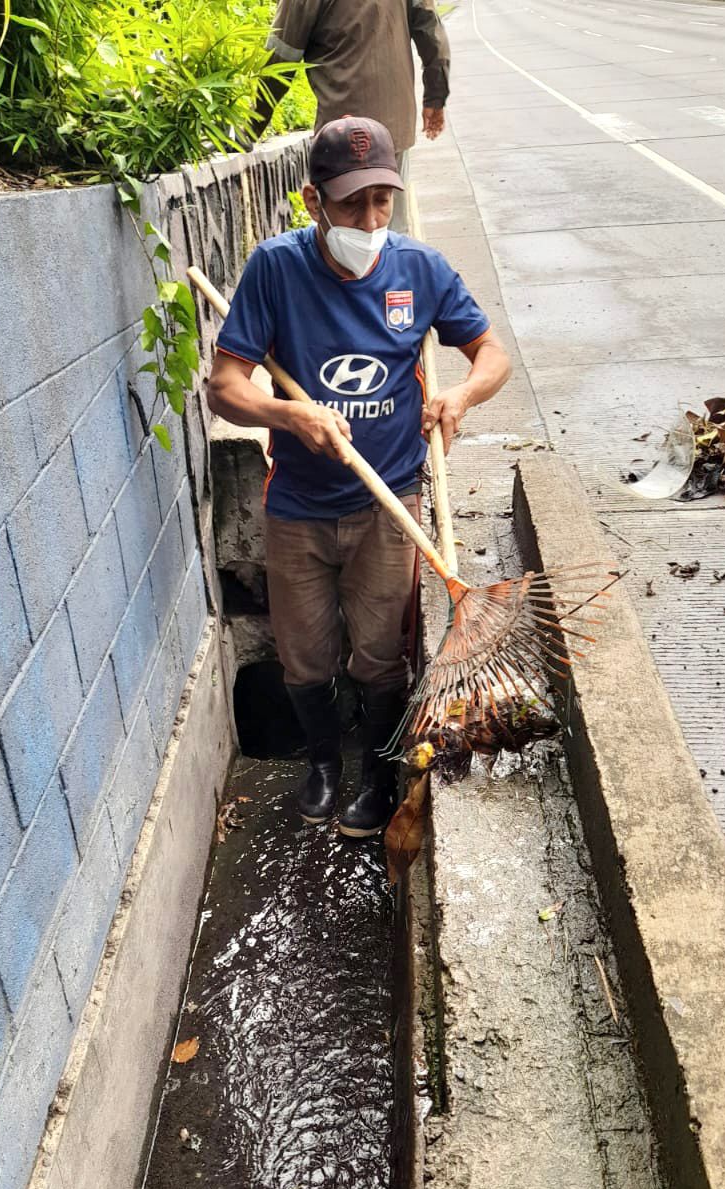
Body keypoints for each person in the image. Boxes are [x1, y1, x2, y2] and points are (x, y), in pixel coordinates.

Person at [207, 116, 511, 837]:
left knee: (378, 658)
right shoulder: (275, 270)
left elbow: (490, 351)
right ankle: (323, 761)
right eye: (352, 205)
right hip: (300, 506)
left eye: (383, 200)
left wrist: (459, 395)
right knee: (304, 656)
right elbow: (226, 386)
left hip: (390, 505)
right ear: (313, 201)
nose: (371, 220)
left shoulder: (421, 270)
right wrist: (289, 416)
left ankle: (376, 772)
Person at [251, 0, 451, 233]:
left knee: (343, 234)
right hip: (392, 126)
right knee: (391, 228)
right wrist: (436, 96)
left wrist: (251, 124)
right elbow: (430, 29)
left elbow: (282, 56)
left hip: (341, 136)